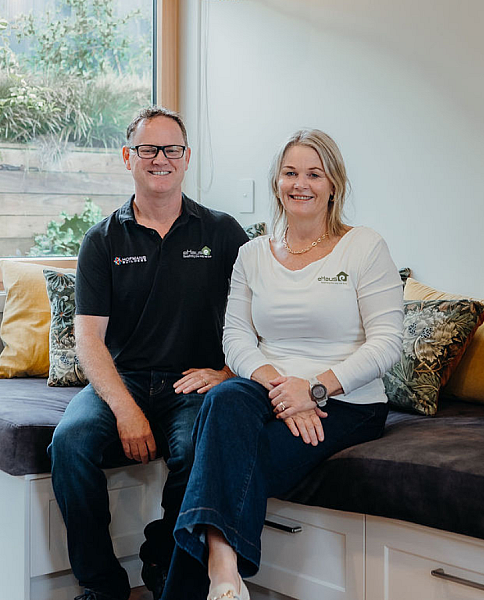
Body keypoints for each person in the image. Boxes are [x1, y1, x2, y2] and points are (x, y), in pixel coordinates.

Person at [159, 129, 404, 600]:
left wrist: (312, 390)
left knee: (221, 463)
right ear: (276, 183)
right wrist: (282, 388)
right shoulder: (252, 254)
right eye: (290, 173)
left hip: (348, 403)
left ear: (334, 183)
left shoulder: (365, 248)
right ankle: (225, 575)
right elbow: (235, 338)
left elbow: (388, 343)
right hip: (268, 390)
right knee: (226, 395)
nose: (301, 184)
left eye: (314, 173)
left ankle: (219, 572)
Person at [49, 106, 250, 600]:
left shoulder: (222, 234)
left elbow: (259, 318)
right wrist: (125, 409)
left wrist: (226, 372)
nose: (160, 159)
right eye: (147, 149)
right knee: (69, 444)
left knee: (194, 450)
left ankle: (164, 563)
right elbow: (90, 340)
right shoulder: (102, 240)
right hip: (126, 379)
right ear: (128, 157)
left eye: (171, 149)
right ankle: (102, 586)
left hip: (193, 383)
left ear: (186, 158)